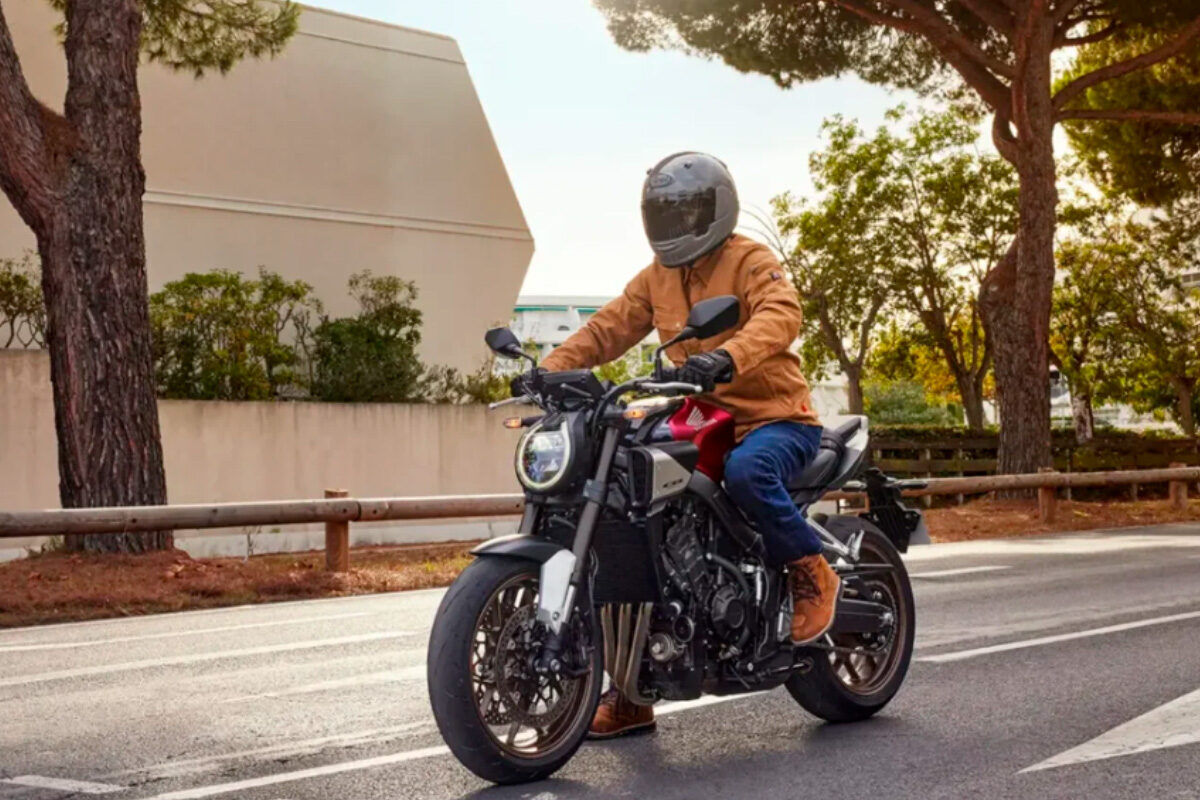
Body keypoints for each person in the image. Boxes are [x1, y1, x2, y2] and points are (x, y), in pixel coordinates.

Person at [534, 152, 840, 740]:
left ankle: (812, 570)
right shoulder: (656, 276)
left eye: (686, 212)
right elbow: (608, 328)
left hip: (772, 420)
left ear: (716, 208)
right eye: (665, 213)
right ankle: (633, 690)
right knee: (633, 513)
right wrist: (549, 370)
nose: (675, 224)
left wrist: (726, 357)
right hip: (699, 419)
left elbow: (781, 314)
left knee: (749, 473)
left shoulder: (750, 259)